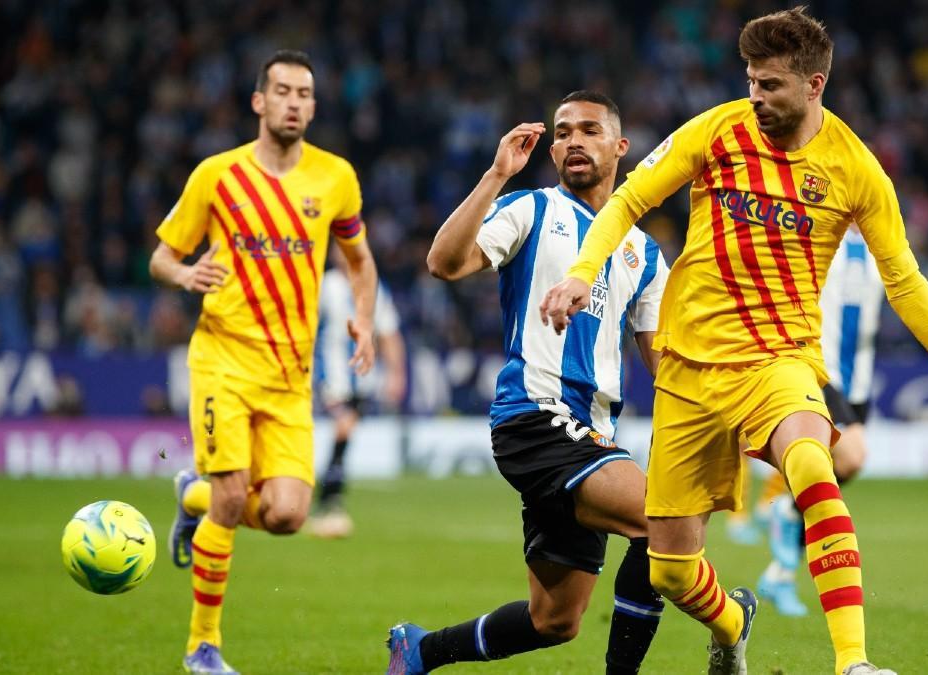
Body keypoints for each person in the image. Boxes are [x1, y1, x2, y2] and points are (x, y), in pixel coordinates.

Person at [539, 8, 928, 675]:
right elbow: (628, 200)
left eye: (772, 86)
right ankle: (734, 622)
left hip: (780, 360)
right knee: (670, 570)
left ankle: (854, 662)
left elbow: (905, 280)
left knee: (814, 466)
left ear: (815, 85)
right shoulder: (718, 129)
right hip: (689, 366)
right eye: (752, 81)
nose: (756, 96)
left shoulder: (855, 169)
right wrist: (585, 273)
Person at [386, 91, 670, 675]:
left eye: (589, 130)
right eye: (562, 131)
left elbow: (663, 364)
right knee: (661, 518)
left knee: (554, 621)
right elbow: (443, 263)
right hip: (535, 416)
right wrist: (495, 176)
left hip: (590, 435)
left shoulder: (642, 249)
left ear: (620, 148)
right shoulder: (530, 209)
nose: (573, 141)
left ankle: (420, 650)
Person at [150, 49, 378, 675]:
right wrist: (185, 272)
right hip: (223, 357)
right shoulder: (216, 176)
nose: (294, 102)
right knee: (233, 494)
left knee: (286, 514)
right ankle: (202, 646)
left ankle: (192, 497)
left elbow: (359, 261)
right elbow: (162, 257)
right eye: (282, 91)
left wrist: (364, 316)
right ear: (259, 101)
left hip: (290, 375)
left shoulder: (336, 177)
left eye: (304, 93)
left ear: (314, 105)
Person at [756, 225, 883, 618]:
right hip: (821, 368)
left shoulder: (881, 245)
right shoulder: (818, 230)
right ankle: (786, 511)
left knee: (827, 472)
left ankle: (779, 573)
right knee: (851, 458)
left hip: (858, 378)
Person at [308, 245, 407, 539]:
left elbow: (389, 334)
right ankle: (329, 500)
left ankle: (327, 496)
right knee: (343, 427)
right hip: (330, 377)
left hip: (363, 379)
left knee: (345, 434)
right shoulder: (326, 285)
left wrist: (396, 374)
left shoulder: (375, 289)